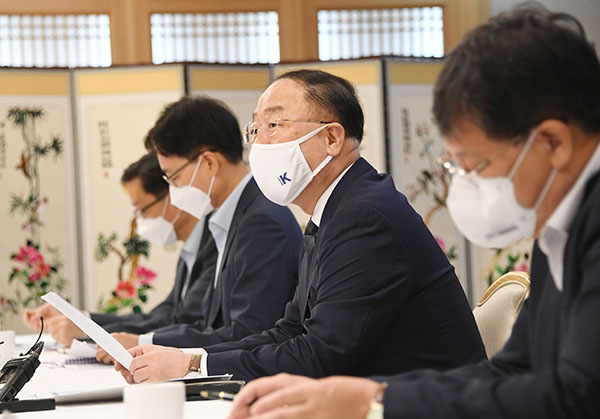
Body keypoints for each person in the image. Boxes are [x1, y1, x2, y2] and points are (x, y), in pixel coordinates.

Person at [227, 5, 600, 419]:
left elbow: (576, 397)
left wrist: (373, 402)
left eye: (475, 165)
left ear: (553, 143)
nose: (466, 184)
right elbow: (513, 370)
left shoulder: (365, 213)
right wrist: (376, 396)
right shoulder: (558, 231)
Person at [115, 69, 485, 384]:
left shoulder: (365, 216)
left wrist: (192, 365)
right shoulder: (336, 209)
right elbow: (289, 330)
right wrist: (189, 359)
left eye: (274, 125)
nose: (259, 144)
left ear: (332, 138)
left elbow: (319, 355)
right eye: (255, 129)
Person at [102, 96, 303, 355]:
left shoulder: (262, 223)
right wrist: (145, 342)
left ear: (209, 163)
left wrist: (145, 343)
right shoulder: (232, 218)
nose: (173, 189)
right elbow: (209, 325)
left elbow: (249, 333)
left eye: (174, 177)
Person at [22, 153, 217, 348]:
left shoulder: (214, 245)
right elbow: (162, 315)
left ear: (173, 195)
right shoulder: (190, 251)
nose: (139, 221)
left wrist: (88, 330)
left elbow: (182, 321)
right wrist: (82, 319)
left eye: (142, 209)